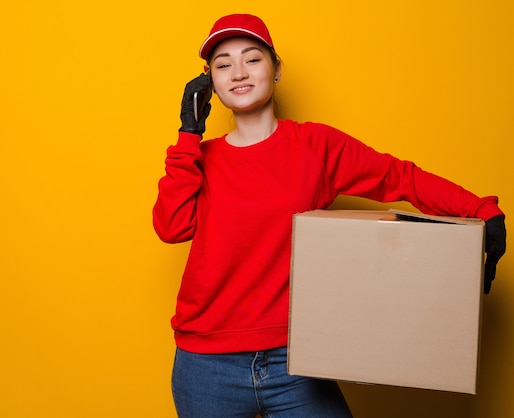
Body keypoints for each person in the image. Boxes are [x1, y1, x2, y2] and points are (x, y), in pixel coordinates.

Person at [152, 13, 506, 418]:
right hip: (206, 365)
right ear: (209, 83)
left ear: (276, 69)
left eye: (252, 59)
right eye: (223, 64)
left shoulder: (316, 146)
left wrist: (482, 210)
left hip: (297, 358)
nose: (238, 72)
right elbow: (171, 227)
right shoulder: (200, 158)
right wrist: (187, 138)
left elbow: (400, 177)